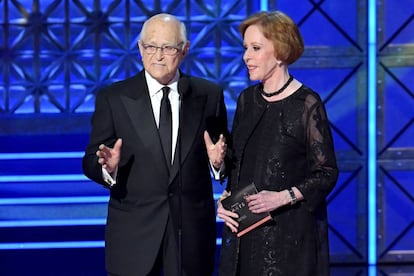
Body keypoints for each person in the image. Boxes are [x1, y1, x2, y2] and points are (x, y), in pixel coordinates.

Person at [82, 13, 228, 276]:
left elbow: (223, 153)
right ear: (140, 48)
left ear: (184, 50)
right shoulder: (114, 98)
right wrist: (108, 168)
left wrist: (218, 164)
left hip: (190, 237)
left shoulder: (208, 95)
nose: (157, 55)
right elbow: (91, 159)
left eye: (168, 48)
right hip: (133, 237)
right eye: (150, 47)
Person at [217, 11, 339, 276]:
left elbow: (326, 173)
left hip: (288, 243)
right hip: (243, 240)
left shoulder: (307, 104)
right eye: (245, 48)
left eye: (256, 48)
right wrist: (222, 186)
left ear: (281, 51)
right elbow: (237, 170)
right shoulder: (246, 100)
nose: (246, 56)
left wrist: (282, 197)